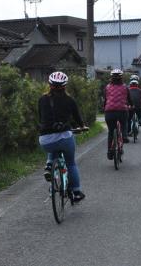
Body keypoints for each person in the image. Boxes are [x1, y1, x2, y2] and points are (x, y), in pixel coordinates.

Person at [38, 71, 86, 202]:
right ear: (65, 86)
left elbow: (41, 117)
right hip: (64, 137)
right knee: (70, 163)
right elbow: (77, 117)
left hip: (45, 140)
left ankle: (49, 165)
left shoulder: (42, 99)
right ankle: (76, 192)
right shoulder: (70, 100)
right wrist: (82, 126)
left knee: (52, 146)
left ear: (49, 85)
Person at [103, 68, 132, 160]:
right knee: (124, 122)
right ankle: (124, 135)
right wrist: (131, 105)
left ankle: (109, 152)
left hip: (109, 112)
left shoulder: (107, 87)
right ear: (121, 78)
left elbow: (105, 100)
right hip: (122, 111)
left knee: (111, 132)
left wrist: (104, 107)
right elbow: (129, 99)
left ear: (111, 78)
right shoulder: (125, 87)